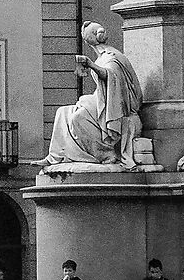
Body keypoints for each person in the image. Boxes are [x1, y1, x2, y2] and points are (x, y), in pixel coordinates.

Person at [46, 21, 143, 170]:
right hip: (103, 99)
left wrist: (91, 65)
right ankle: (55, 156)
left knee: (78, 117)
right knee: (62, 111)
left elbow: (111, 76)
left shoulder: (113, 56)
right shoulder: (102, 57)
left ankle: (106, 153)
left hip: (119, 106)